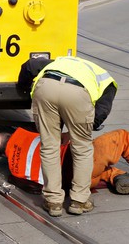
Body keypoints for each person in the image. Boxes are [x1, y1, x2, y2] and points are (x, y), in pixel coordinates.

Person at [18, 56, 117, 217]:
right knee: (82, 149)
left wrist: (24, 87)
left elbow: (29, 65)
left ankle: (53, 201)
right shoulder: (106, 81)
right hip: (77, 94)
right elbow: (101, 112)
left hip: (46, 88)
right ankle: (79, 201)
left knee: (49, 147)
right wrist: (79, 130)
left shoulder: (58, 62)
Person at [0, 127, 129, 199]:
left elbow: (37, 186)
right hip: (78, 163)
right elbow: (65, 138)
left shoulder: (14, 169)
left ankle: (116, 177)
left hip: (75, 182)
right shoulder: (28, 138)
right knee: (122, 137)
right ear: (11, 137)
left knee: (101, 169)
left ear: (5, 152)